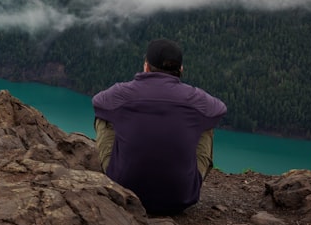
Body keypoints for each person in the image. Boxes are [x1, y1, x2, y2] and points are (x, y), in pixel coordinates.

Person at [92, 38, 226, 215]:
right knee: (205, 125)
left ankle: (120, 172)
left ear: (146, 66)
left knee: (104, 118)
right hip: (179, 199)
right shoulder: (195, 98)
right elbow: (219, 110)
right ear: (181, 69)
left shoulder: (123, 92)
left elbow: (98, 102)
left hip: (125, 194)